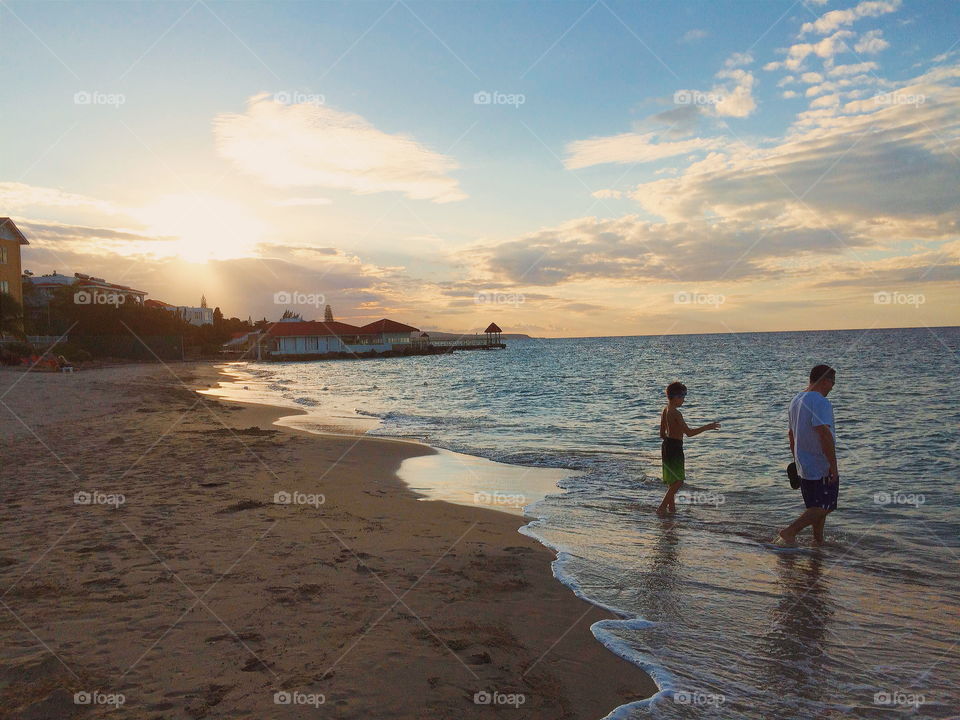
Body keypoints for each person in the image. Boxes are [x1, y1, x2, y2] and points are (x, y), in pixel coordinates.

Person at [775, 365, 838, 546]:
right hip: (819, 463)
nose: (832, 387)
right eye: (832, 382)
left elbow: (791, 434)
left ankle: (818, 542)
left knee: (815, 506)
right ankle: (790, 531)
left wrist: (796, 460)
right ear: (824, 381)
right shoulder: (820, 401)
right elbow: (824, 433)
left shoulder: (796, 400)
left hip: (804, 463)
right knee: (826, 506)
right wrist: (833, 466)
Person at [657, 381, 721, 515]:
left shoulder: (665, 410)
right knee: (679, 481)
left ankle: (671, 509)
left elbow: (662, 434)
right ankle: (662, 507)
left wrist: (669, 440)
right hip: (675, 447)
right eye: (682, 396)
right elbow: (689, 433)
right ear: (675, 397)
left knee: (672, 480)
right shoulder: (676, 413)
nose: (683, 400)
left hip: (666, 445)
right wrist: (707, 427)